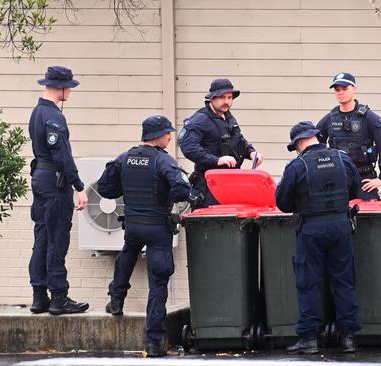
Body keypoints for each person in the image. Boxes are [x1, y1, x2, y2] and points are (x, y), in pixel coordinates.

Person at [97, 115, 194, 358]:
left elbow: (105, 188)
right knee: (158, 283)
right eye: (167, 133)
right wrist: (167, 197)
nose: (170, 137)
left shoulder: (124, 157)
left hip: (133, 224)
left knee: (127, 255)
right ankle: (153, 342)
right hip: (157, 228)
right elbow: (183, 189)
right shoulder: (163, 161)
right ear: (157, 136)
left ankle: (116, 301)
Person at [276, 121, 362, 354]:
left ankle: (309, 339)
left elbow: (282, 204)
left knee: (309, 283)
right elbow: (356, 192)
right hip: (340, 225)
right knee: (344, 281)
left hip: (311, 230)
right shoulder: (342, 158)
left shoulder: (297, 165)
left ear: (298, 143)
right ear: (315, 136)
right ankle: (348, 339)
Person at [28, 66, 89, 316]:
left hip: (40, 177)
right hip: (54, 181)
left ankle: (39, 296)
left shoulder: (36, 112)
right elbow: (62, 154)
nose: (71, 92)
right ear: (61, 87)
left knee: (41, 236)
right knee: (57, 238)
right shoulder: (54, 116)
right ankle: (59, 298)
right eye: (69, 87)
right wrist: (79, 186)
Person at [178, 78, 263, 209]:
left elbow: (238, 139)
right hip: (209, 188)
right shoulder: (200, 119)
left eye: (230, 97)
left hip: (230, 185)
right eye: (222, 97)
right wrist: (216, 160)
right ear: (212, 98)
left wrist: (251, 152)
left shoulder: (227, 116)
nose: (227, 101)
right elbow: (188, 146)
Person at [316, 72, 381, 201]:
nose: (340, 93)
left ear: (354, 89)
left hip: (363, 178)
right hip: (338, 178)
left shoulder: (369, 118)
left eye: (345, 89)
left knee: (368, 217)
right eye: (337, 89)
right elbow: (315, 147)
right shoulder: (329, 119)